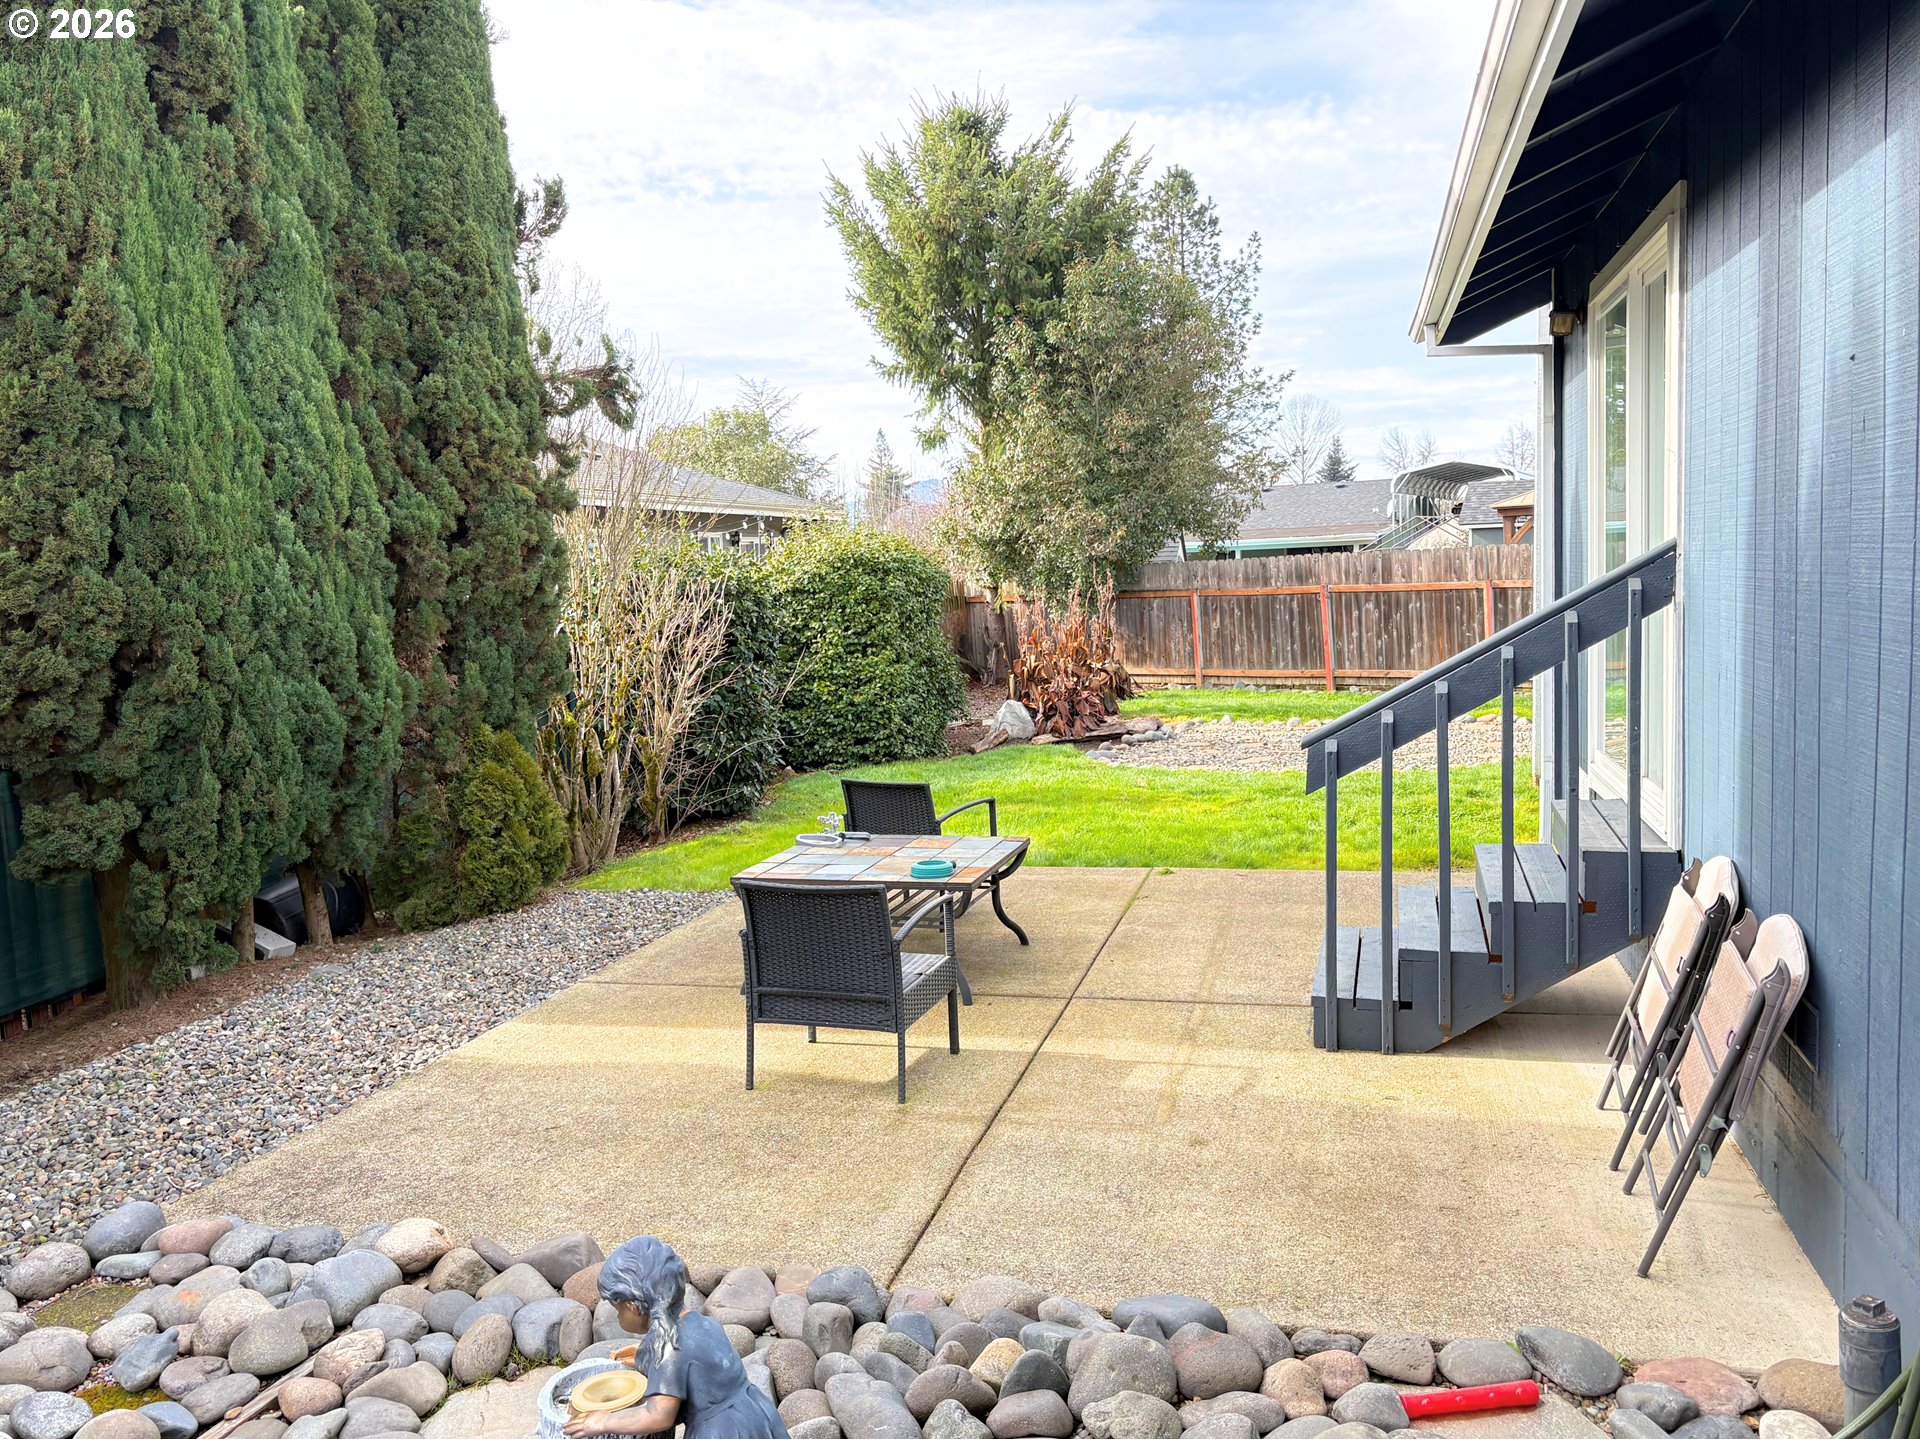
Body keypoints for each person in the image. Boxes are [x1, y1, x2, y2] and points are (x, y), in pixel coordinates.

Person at [541, 1236, 788, 1439]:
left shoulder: (668, 1349)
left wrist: (604, 1420)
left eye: (619, 1310)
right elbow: (694, 1362)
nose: (618, 1319)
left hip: (722, 1431)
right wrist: (643, 1355)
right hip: (755, 1413)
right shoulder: (701, 1322)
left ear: (635, 1307)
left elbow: (659, 1415)